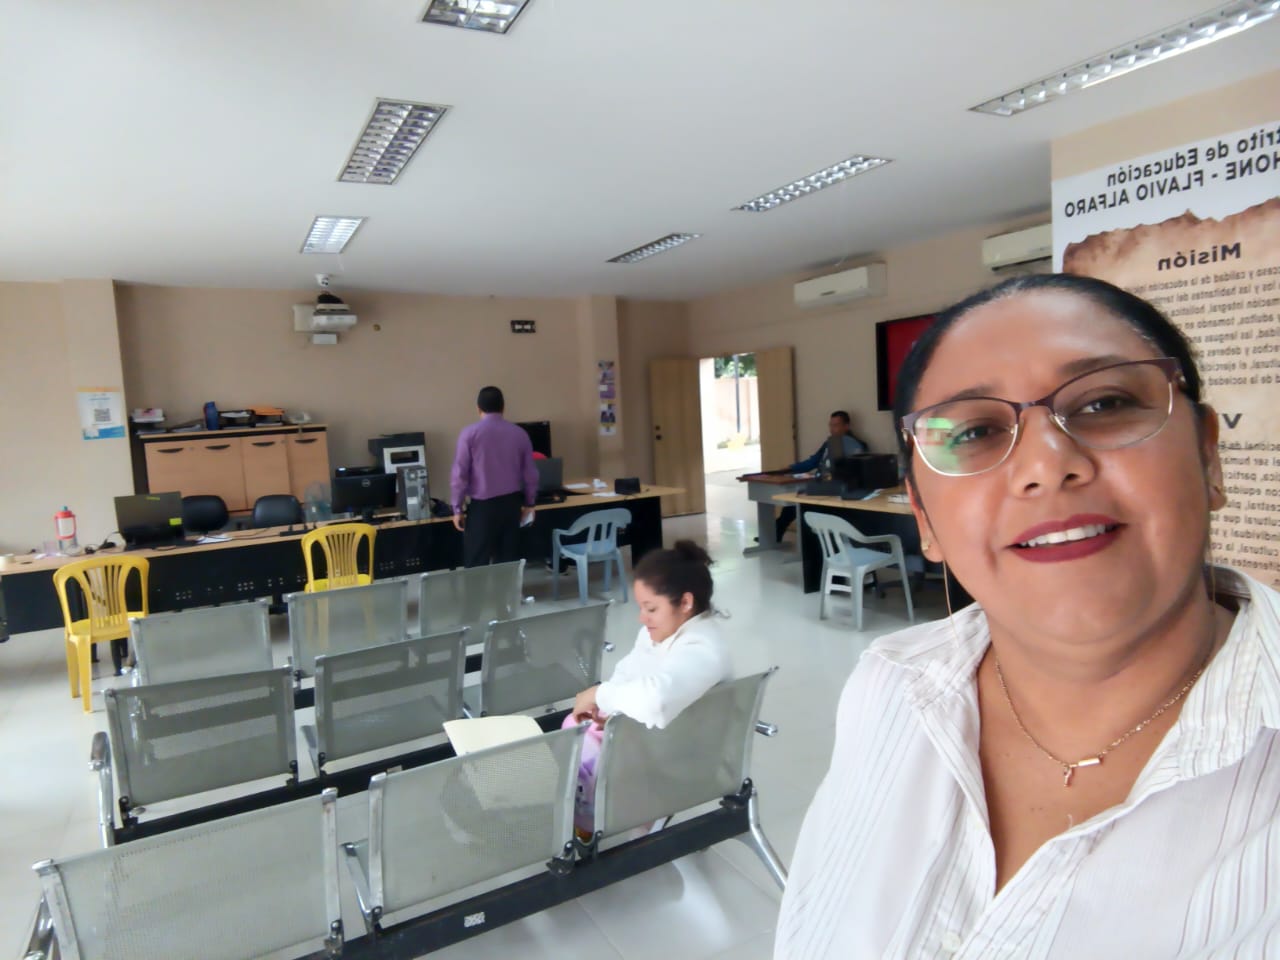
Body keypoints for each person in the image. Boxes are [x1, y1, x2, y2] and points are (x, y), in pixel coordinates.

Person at [775, 273, 1280, 958]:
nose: (1045, 465)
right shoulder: (888, 686)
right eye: (976, 431)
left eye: (1104, 402)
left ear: (1208, 456)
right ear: (924, 518)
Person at [565, 540, 732, 839]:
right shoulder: (660, 632)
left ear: (685, 602)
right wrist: (607, 707)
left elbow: (656, 700)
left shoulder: (704, 648)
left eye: (651, 608)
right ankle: (590, 815)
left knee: (581, 740)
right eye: (641, 607)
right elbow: (628, 671)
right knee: (578, 724)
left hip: (678, 754)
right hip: (658, 739)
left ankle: (593, 819)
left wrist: (599, 695)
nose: (642, 618)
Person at [449, 386, 538, 568]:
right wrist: (530, 504)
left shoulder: (469, 434)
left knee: (477, 562)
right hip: (511, 506)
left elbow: (460, 475)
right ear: (503, 407)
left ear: (478, 408)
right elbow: (530, 473)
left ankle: (479, 589)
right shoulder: (520, 434)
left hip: (483, 509)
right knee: (508, 562)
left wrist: (457, 509)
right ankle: (507, 588)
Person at [772, 410, 868, 541]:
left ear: (846, 426)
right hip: (823, 484)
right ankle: (776, 533)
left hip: (839, 490)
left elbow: (855, 472)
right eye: (830, 425)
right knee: (794, 502)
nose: (832, 429)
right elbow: (813, 461)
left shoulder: (857, 445)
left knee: (804, 503)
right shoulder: (829, 443)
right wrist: (791, 468)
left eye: (836, 425)